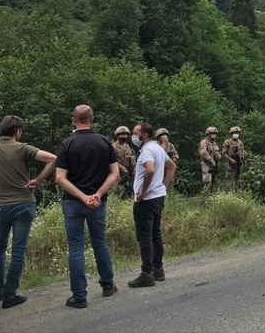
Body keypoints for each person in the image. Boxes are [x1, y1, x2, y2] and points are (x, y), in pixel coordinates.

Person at [0, 115, 56, 309]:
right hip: (23, 203)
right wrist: (38, 181)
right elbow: (52, 159)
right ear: (18, 132)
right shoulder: (22, 148)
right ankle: (10, 295)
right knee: (18, 250)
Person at [55, 105, 120, 308]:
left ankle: (79, 296)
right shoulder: (104, 142)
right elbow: (114, 173)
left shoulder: (66, 144)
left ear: (73, 120)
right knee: (99, 241)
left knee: (76, 247)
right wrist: (97, 194)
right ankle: (108, 285)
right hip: (98, 202)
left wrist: (83, 197)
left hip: (73, 202)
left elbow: (60, 178)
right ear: (92, 119)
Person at [128, 123, 177, 287]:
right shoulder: (158, 148)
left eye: (135, 133)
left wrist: (143, 191)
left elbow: (149, 170)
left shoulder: (148, 150)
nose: (133, 136)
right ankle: (158, 269)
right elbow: (172, 166)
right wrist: (163, 186)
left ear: (144, 135)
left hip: (146, 200)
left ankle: (146, 273)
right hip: (158, 197)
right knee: (155, 234)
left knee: (145, 237)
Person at [112, 126, 136, 196]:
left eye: (125, 134)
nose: (124, 136)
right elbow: (111, 161)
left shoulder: (127, 146)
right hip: (118, 174)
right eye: (122, 134)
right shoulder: (113, 147)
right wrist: (122, 168)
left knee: (127, 193)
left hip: (128, 174)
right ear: (118, 136)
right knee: (117, 192)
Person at [223, 126, 247, 191]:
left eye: (237, 133)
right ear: (231, 133)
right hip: (231, 164)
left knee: (239, 180)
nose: (236, 134)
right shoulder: (227, 142)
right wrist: (230, 159)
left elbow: (243, 153)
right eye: (234, 133)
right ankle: (229, 194)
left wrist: (245, 163)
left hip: (240, 163)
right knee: (229, 180)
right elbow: (224, 153)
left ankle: (238, 193)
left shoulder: (240, 142)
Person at [199, 127, 221, 194]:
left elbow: (218, 152)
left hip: (214, 165)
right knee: (207, 180)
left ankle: (211, 195)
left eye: (214, 134)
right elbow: (203, 152)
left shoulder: (214, 143)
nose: (213, 135)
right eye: (212, 133)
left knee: (213, 181)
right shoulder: (204, 142)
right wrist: (211, 159)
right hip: (206, 164)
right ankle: (205, 197)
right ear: (208, 134)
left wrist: (219, 156)